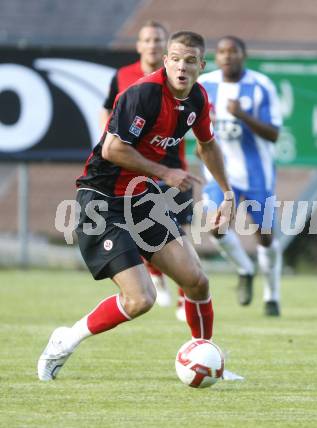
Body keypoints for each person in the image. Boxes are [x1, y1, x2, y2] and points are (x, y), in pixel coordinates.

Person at [37, 31, 235, 381]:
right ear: (166, 61)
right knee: (139, 300)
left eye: (190, 60)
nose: (182, 66)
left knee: (197, 281)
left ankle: (205, 358)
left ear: (201, 66)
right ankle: (64, 341)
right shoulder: (142, 94)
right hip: (101, 199)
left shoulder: (198, 99)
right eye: (175, 58)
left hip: (141, 199)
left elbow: (207, 145)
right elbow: (112, 149)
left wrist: (228, 193)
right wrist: (164, 172)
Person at [101, 20, 191, 318]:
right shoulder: (124, 77)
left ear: (165, 48)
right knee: (141, 225)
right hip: (133, 168)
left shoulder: (179, 80)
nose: (152, 44)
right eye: (148, 39)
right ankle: (155, 276)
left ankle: (185, 297)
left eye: (158, 40)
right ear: (139, 45)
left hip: (171, 164)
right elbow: (108, 110)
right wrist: (107, 140)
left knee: (180, 229)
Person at [198, 36, 282, 316]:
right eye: (221, 52)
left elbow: (273, 133)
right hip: (219, 174)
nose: (227, 56)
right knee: (216, 226)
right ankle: (244, 269)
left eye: (233, 51)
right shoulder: (205, 85)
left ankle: (272, 295)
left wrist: (243, 115)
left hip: (257, 173)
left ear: (243, 55)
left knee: (266, 238)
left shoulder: (261, 86)